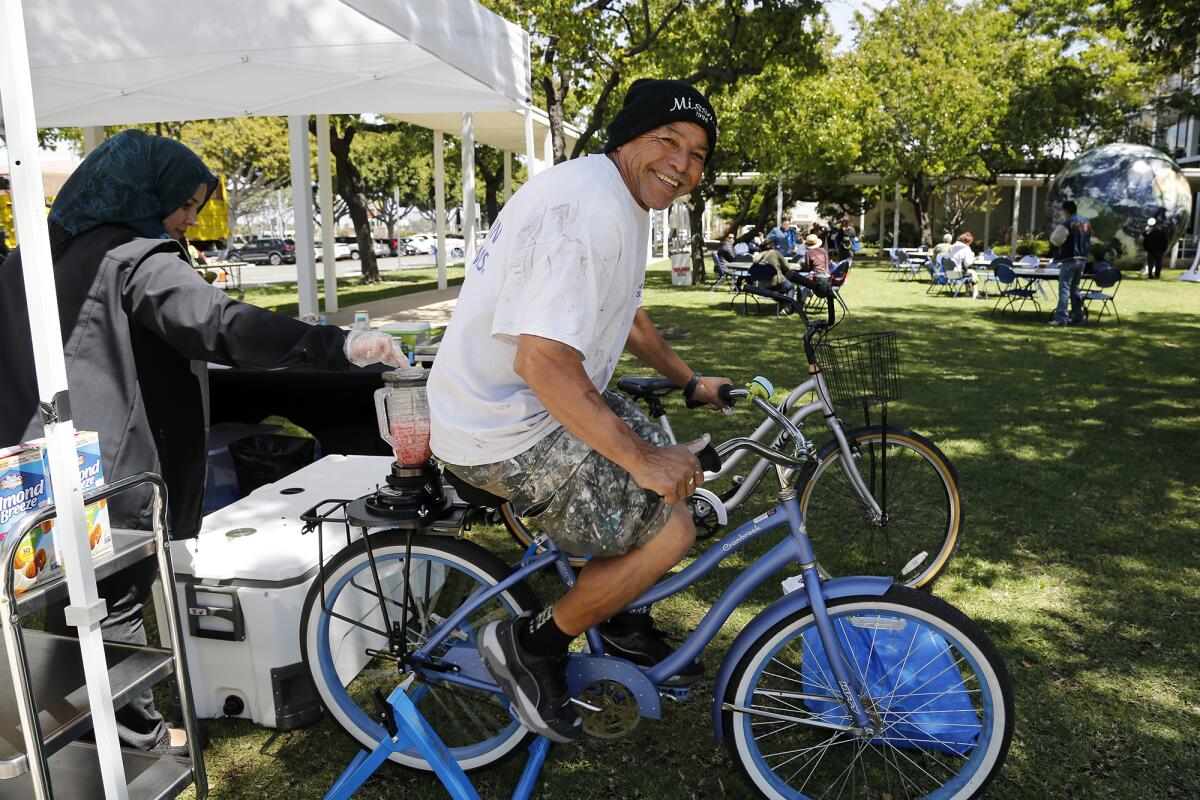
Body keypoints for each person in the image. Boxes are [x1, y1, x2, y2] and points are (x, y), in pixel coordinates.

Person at [0, 129, 407, 754]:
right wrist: (337, 346)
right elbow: (218, 322)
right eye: (186, 203)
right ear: (146, 188)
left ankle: (70, 720)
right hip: (105, 470)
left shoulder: (36, 254)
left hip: (35, 458)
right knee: (114, 597)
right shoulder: (134, 255)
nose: (192, 218)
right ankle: (136, 739)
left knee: (66, 599)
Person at [428, 78, 730, 744]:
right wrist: (641, 458)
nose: (682, 164)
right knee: (670, 527)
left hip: (536, 402)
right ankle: (533, 645)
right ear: (627, 138)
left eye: (698, 153)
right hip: (504, 426)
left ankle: (618, 614)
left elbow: (627, 313)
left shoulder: (617, 198)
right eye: (668, 141)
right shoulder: (588, 211)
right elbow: (542, 362)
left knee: (683, 478)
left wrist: (687, 381)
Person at [1048, 200, 1091, 325]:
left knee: (1064, 288)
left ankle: (1061, 318)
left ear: (1066, 210)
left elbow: (1056, 239)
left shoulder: (1067, 222)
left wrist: (1054, 242)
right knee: (1075, 289)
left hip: (1070, 258)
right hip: (1083, 258)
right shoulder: (1086, 222)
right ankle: (1077, 316)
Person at [947, 231, 981, 298]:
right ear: (967, 242)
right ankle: (975, 293)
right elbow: (968, 262)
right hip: (958, 273)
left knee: (967, 272)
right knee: (972, 272)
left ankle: (967, 292)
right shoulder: (965, 248)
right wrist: (973, 258)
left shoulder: (953, 247)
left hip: (949, 273)